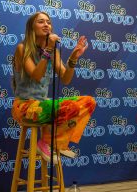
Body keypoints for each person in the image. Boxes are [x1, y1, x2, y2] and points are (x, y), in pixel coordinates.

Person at [11, 11, 96, 162]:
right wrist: (48, 49)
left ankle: (53, 142)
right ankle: (51, 143)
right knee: (66, 106)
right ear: (32, 27)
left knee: (88, 102)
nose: (46, 25)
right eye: (41, 22)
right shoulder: (22, 49)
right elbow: (37, 76)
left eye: (48, 22)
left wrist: (73, 58)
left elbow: (65, 79)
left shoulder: (53, 51)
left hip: (42, 105)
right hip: (24, 107)